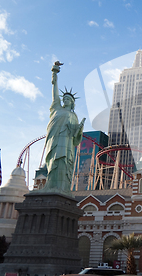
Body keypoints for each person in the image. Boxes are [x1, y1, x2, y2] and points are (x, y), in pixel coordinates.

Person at [42, 62, 85, 194]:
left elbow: (75, 137)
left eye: (68, 99)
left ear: (72, 103)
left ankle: (62, 189)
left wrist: (80, 128)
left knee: (63, 165)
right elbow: (55, 91)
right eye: (64, 98)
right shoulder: (56, 108)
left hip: (66, 144)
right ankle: (50, 187)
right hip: (54, 140)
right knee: (52, 164)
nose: (65, 100)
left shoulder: (73, 116)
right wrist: (54, 73)